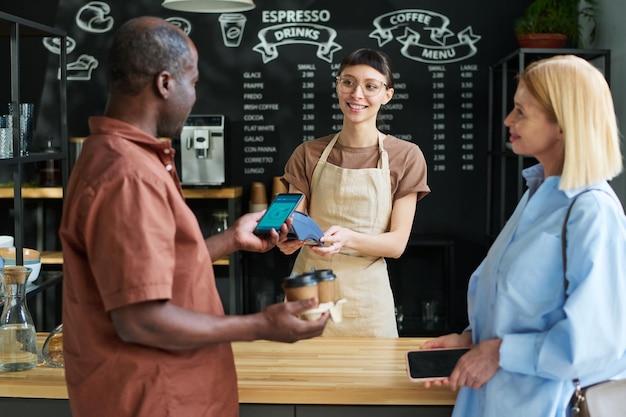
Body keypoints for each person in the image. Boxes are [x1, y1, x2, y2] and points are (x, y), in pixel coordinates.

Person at [59, 16, 329, 417]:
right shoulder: (128, 175)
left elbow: (151, 271)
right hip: (156, 399)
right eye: (194, 82)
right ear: (165, 84)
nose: (194, 96)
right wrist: (261, 326)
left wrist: (231, 239)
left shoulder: (118, 157)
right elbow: (141, 321)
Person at [420, 54, 626, 416]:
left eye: (521, 111)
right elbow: (520, 307)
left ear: (563, 124)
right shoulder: (536, 194)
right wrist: (470, 340)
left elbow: (597, 341)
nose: (507, 120)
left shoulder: (592, 211)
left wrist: (497, 352)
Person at [277, 48, 430, 337]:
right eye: (348, 82)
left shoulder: (406, 156)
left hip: (368, 299)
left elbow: (397, 244)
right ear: (337, 86)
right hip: (309, 290)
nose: (356, 94)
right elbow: (295, 221)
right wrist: (287, 238)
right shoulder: (308, 153)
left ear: (387, 95)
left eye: (370, 86)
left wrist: (347, 237)